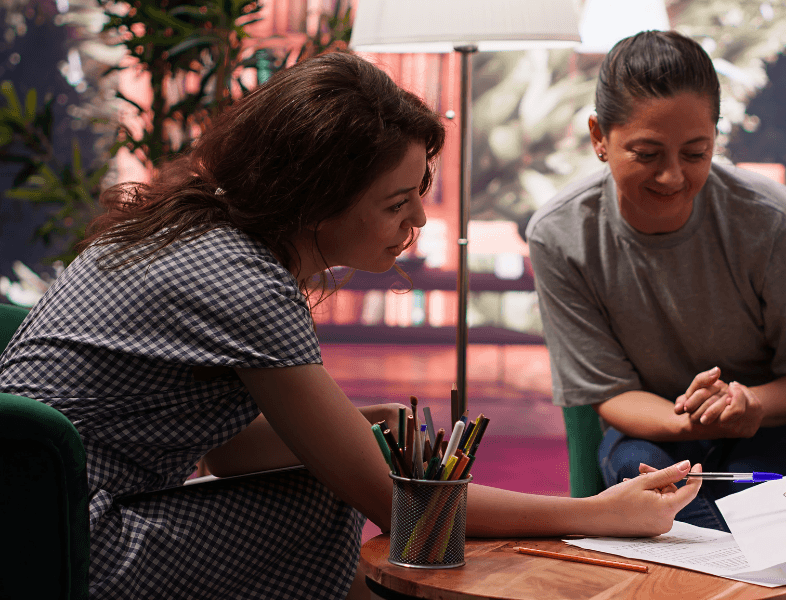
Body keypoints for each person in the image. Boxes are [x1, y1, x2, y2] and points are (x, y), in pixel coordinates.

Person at [0, 52, 703, 600]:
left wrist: (345, 424)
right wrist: (597, 513)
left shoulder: (195, 233)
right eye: (397, 201)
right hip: (58, 540)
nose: (418, 221)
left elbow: (227, 456)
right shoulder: (244, 282)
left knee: (324, 486)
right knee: (324, 504)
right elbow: (395, 502)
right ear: (315, 201)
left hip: (34, 517)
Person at [526, 30, 786, 532]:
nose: (671, 177)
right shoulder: (560, 235)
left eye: (695, 153)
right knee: (640, 474)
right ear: (600, 136)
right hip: (665, 424)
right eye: (647, 153)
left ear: (715, 136)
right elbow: (609, 392)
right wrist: (686, 421)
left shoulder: (773, 218)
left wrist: (748, 404)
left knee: (736, 489)